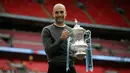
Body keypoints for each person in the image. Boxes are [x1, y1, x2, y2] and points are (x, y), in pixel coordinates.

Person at [41, 3, 76, 73]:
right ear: (53, 14)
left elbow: (73, 52)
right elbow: (48, 52)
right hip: (55, 68)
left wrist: (79, 55)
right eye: (57, 12)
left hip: (70, 68)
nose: (59, 14)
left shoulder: (71, 31)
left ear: (65, 13)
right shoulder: (47, 30)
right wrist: (61, 39)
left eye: (61, 12)